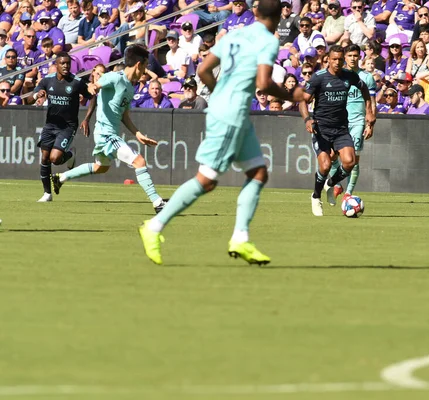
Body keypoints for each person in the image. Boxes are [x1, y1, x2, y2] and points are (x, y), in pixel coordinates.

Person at [138, 0, 304, 266]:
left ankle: (240, 238)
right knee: (207, 180)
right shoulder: (269, 41)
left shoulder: (236, 33)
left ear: (256, 11)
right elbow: (263, 82)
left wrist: (221, 94)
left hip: (228, 109)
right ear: (280, 17)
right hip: (231, 114)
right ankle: (154, 226)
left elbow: (203, 69)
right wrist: (291, 94)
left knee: (258, 172)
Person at [51, 45, 168, 213]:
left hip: (107, 134)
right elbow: (95, 86)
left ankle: (61, 178)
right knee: (139, 161)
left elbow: (124, 116)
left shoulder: (129, 87)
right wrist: (92, 88)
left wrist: (138, 134)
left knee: (101, 167)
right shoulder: (114, 77)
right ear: (139, 64)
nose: (145, 69)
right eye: (145, 65)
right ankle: (158, 203)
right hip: (105, 134)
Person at [299, 45, 375, 216]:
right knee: (325, 166)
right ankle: (316, 196)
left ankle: (330, 184)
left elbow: (364, 89)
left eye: (340, 59)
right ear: (328, 59)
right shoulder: (319, 78)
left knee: (350, 162)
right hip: (322, 129)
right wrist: (307, 119)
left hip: (341, 128)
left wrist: (369, 111)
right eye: (334, 59)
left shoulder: (350, 76)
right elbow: (302, 101)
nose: (337, 62)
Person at [30, 52, 92, 202]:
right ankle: (47, 194)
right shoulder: (48, 80)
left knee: (55, 158)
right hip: (50, 125)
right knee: (44, 158)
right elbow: (35, 92)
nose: (65, 66)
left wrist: (86, 119)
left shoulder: (76, 82)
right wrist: (38, 95)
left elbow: (92, 96)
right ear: (56, 65)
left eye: (67, 63)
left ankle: (70, 155)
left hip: (68, 127)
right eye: (62, 63)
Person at [329, 44, 376, 200]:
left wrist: (370, 124)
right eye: (349, 56)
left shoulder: (367, 77)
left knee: (354, 158)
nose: (352, 58)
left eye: (355, 55)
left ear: (360, 57)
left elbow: (372, 102)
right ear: (345, 57)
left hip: (357, 121)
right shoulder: (338, 76)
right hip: (339, 121)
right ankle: (337, 185)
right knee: (331, 155)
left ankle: (348, 193)